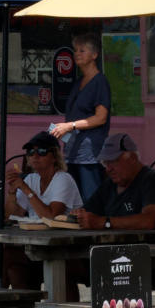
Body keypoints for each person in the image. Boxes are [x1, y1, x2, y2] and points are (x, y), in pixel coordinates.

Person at [0, 131, 84, 288]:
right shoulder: (31, 179)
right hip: (37, 245)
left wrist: (26, 190)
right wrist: (11, 193)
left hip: (65, 248)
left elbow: (51, 217)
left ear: (54, 156)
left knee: (11, 257)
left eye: (42, 151)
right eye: (30, 152)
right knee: (12, 262)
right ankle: (16, 298)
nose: (35, 156)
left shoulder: (63, 179)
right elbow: (11, 216)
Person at [51, 31, 110, 208]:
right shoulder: (78, 82)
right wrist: (63, 130)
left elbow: (100, 118)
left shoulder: (100, 82)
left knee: (91, 202)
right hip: (72, 151)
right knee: (73, 202)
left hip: (89, 153)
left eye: (82, 50)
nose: (77, 54)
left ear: (94, 55)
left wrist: (70, 126)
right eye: (75, 50)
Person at [78, 133, 155, 232]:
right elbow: (87, 212)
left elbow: (147, 221)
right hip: (115, 242)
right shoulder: (109, 185)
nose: (108, 169)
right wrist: (79, 216)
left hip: (150, 242)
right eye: (105, 163)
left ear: (132, 159)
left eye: (113, 161)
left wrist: (104, 223)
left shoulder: (152, 180)